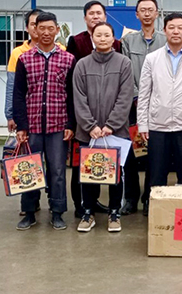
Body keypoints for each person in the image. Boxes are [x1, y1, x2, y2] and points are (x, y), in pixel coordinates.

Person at [12, 12, 76, 231]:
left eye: (51, 28)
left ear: (57, 30)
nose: (46, 33)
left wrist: (70, 124)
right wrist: (21, 125)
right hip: (32, 127)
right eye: (42, 28)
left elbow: (72, 95)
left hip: (58, 126)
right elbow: (18, 94)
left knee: (57, 171)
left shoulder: (68, 59)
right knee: (30, 169)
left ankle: (57, 212)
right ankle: (29, 212)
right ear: (34, 30)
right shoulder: (25, 59)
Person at [137, 13, 182, 197]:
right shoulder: (152, 59)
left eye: (180, 28)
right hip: (158, 125)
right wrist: (143, 124)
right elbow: (144, 94)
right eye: (171, 27)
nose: (175, 31)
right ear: (164, 30)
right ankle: (152, 205)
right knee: (156, 173)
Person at [73, 22, 134, 233]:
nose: (102, 38)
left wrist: (111, 125)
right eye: (98, 35)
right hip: (88, 133)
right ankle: (88, 212)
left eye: (107, 35)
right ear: (92, 38)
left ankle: (114, 212)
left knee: (115, 173)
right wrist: (89, 125)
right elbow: (78, 98)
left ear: (113, 38)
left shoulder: (124, 63)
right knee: (89, 173)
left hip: (115, 132)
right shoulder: (82, 65)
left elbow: (125, 97)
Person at [67, 0, 117, 218]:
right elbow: (73, 83)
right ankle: (81, 205)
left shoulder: (116, 46)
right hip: (84, 114)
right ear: (85, 18)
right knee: (82, 164)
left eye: (99, 13)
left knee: (106, 163)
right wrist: (84, 121)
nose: (95, 16)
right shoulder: (76, 41)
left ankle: (98, 203)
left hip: (108, 116)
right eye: (91, 13)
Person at [120, 0, 167, 217]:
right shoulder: (128, 41)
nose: (147, 14)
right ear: (137, 14)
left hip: (159, 105)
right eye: (143, 10)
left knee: (154, 154)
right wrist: (138, 96)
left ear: (157, 13)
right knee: (131, 153)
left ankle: (150, 197)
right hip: (133, 104)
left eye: (151, 10)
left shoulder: (166, 40)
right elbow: (125, 71)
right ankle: (130, 198)